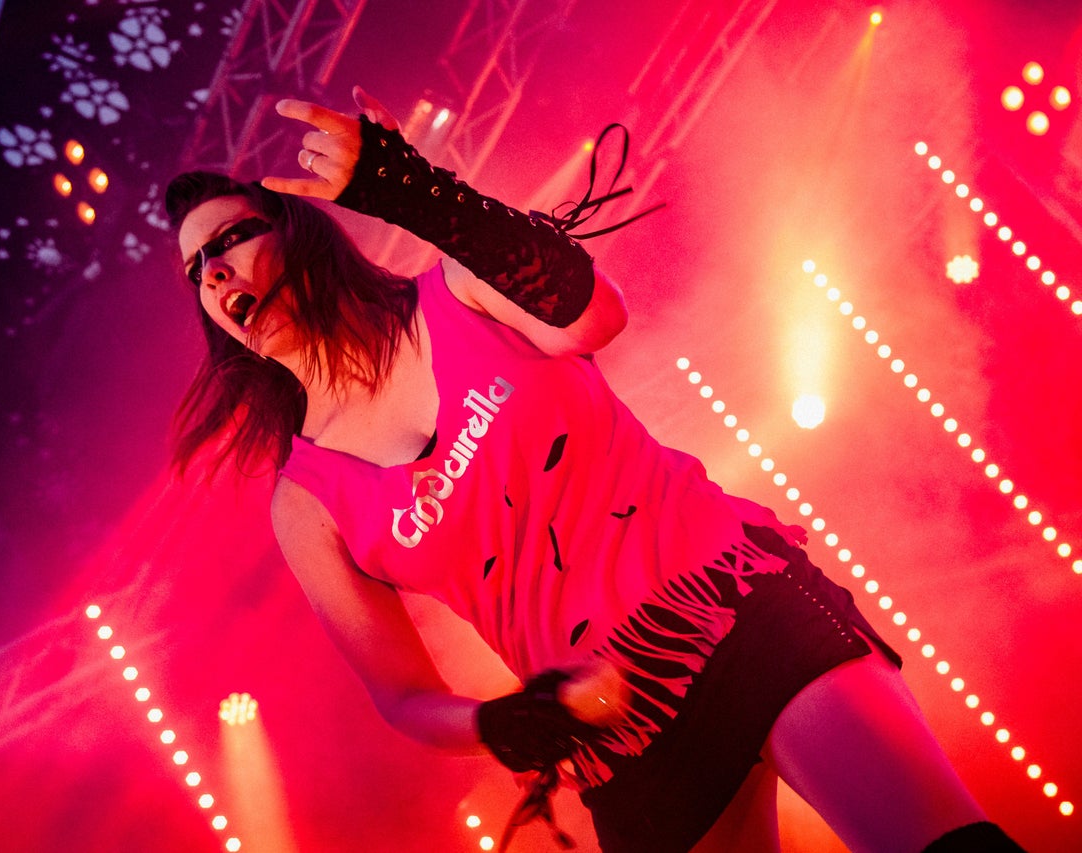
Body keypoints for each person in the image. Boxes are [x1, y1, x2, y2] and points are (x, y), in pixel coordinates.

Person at [163, 87, 1023, 853]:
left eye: (233, 236)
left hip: (731, 602)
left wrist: (412, 192)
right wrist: (504, 721)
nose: (217, 271)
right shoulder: (307, 499)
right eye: (198, 268)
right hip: (620, 733)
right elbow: (401, 696)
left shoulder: (453, 291)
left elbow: (594, 316)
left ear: (302, 231)